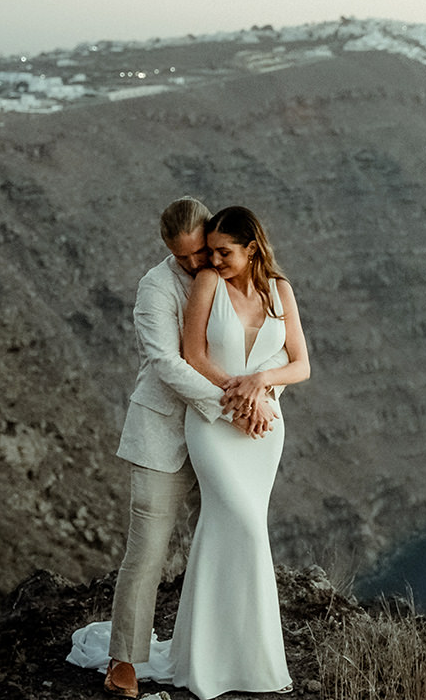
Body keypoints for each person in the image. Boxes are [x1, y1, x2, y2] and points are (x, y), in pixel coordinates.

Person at [97, 197, 286, 699]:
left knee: (231, 541)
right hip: (165, 434)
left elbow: (264, 346)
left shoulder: (230, 272)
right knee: (147, 552)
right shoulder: (154, 288)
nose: (194, 263)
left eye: (199, 252)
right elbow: (170, 364)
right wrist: (238, 402)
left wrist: (263, 395)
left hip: (226, 441)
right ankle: (123, 661)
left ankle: (224, 652)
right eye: (181, 257)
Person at [168, 205, 310, 698]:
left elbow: (300, 364)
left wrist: (261, 384)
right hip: (215, 423)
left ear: (252, 248)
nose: (213, 259)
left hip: (263, 430)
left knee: (233, 530)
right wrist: (240, 394)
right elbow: (193, 355)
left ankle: (238, 658)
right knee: (243, 528)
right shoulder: (208, 284)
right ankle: (212, 660)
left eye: (224, 252)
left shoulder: (280, 291)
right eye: (210, 252)